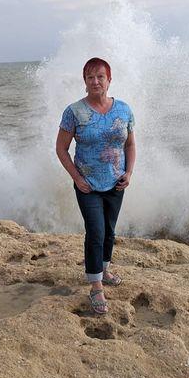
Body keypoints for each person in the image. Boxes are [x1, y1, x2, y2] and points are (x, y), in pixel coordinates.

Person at [56, 57, 136, 314]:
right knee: (95, 232)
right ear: (85, 81)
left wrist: (129, 172)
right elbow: (61, 148)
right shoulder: (74, 112)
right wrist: (77, 178)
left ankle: (104, 269)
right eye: (90, 77)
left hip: (116, 182)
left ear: (109, 80)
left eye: (100, 76)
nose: (95, 81)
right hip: (87, 185)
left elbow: (130, 144)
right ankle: (96, 286)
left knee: (109, 231)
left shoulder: (123, 109)